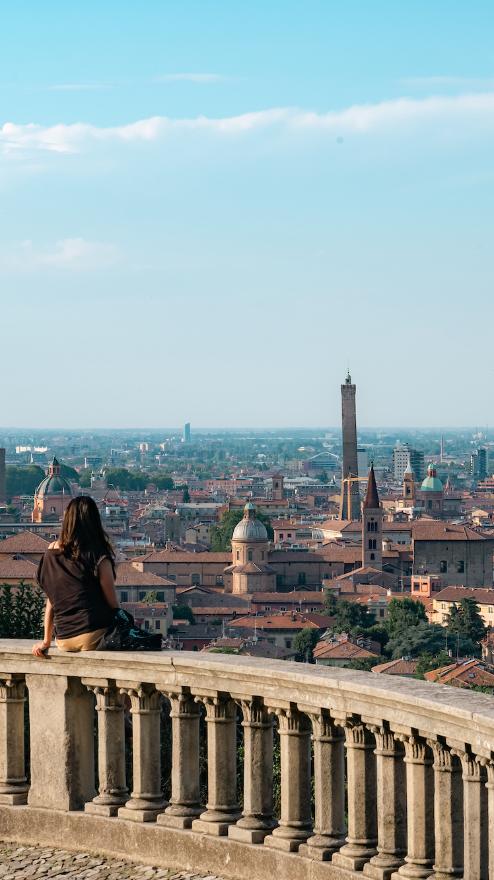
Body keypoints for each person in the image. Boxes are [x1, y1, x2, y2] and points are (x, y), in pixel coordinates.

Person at [32, 495, 119, 656]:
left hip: (63, 639)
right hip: (93, 634)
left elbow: (52, 600)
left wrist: (46, 640)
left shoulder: (50, 552)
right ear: (93, 522)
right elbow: (112, 604)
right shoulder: (98, 555)